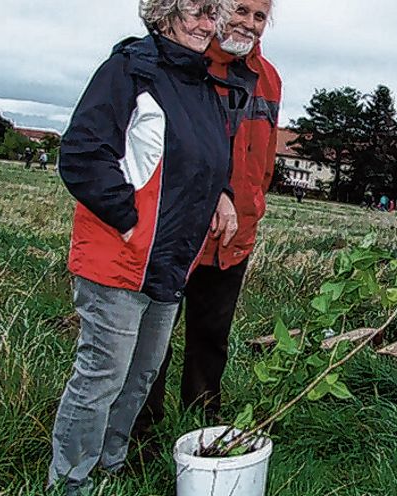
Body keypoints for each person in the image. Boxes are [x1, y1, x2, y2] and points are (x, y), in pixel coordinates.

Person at [48, 0, 239, 496]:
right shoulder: (129, 71)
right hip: (119, 257)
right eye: (197, 12)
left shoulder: (203, 87)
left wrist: (224, 195)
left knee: (140, 377)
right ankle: (69, 487)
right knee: (102, 375)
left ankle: (109, 467)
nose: (207, 25)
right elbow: (83, 154)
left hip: (172, 262)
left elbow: (206, 161)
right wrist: (127, 219)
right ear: (164, 14)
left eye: (212, 15)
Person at [136, 0, 281, 433]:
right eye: (240, 10)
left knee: (212, 335)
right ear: (216, 10)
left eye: (259, 17)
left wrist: (252, 198)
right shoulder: (189, 62)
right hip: (180, 228)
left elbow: (266, 156)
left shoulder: (267, 78)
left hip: (237, 235)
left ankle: (202, 425)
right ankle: (142, 427)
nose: (249, 24)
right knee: (154, 337)